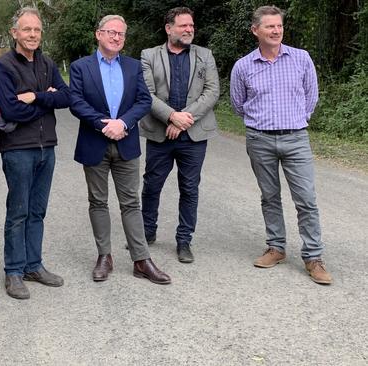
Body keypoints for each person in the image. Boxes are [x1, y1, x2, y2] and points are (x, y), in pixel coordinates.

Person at [230, 5, 332, 284]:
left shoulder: (301, 59)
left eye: (279, 26)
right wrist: (259, 123)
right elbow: (238, 105)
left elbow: (311, 96)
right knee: (270, 196)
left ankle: (313, 257)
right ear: (255, 30)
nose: (276, 31)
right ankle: (276, 248)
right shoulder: (243, 66)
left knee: (307, 200)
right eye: (269, 26)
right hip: (260, 139)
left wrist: (297, 119)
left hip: (296, 138)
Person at [69, 15, 171, 285]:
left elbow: (143, 100)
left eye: (121, 34)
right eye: (111, 32)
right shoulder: (81, 67)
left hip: (126, 142)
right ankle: (105, 256)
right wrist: (104, 125)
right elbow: (75, 102)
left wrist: (123, 123)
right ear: (98, 34)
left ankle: (141, 259)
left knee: (131, 203)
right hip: (95, 142)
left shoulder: (133, 66)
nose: (116, 38)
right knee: (98, 202)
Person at [0, 7, 70, 300]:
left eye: (36, 30)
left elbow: (67, 96)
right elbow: (10, 109)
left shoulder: (47, 63)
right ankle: (13, 271)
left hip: (46, 147)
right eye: (27, 30)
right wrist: (48, 100)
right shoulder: (3, 67)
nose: (33, 35)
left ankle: (33, 266)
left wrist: (37, 96)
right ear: (14, 33)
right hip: (18, 150)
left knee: (38, 210)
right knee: (19, 211)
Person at [139, 7, 219, 263]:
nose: (189, 30)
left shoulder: (205, 55)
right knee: (152, 185)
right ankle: (147, 233)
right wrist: (171, 117)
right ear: (169, 28)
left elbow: (212, 92)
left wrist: (183, 120)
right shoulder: (149, 55)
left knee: (190, 188)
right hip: (159, 133)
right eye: (183, 26)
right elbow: (146, 94)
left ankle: (184, 240)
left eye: (191, 26)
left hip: (193, 135)